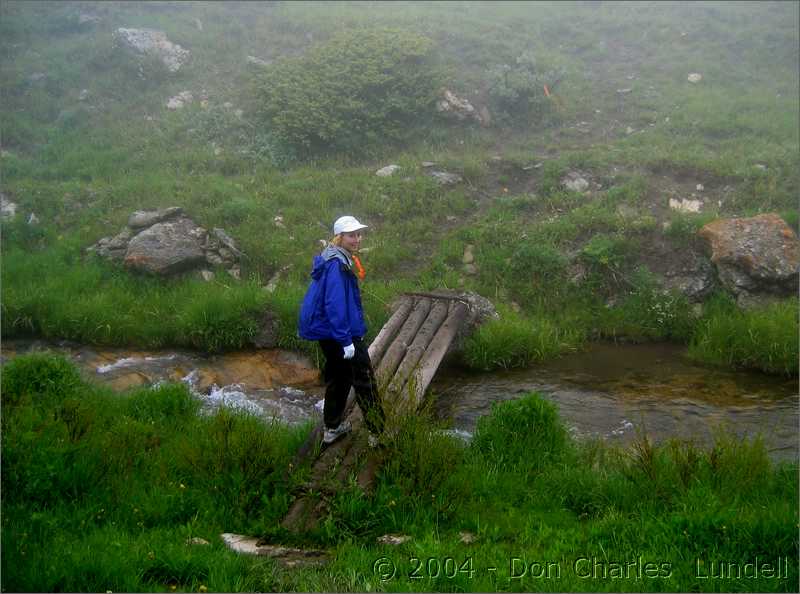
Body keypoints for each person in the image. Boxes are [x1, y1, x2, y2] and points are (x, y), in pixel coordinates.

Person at [298, 215, 384, 447]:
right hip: (339, 332)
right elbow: (334, 305)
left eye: (358, 234)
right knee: (364, 379)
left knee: (339, 376)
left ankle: (332, 428)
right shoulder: (337, 265)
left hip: (327, 331)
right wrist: (346, 340)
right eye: (351, 235)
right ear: (340, 237)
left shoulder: (333, 257)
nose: (357, 239)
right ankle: (379, 432)